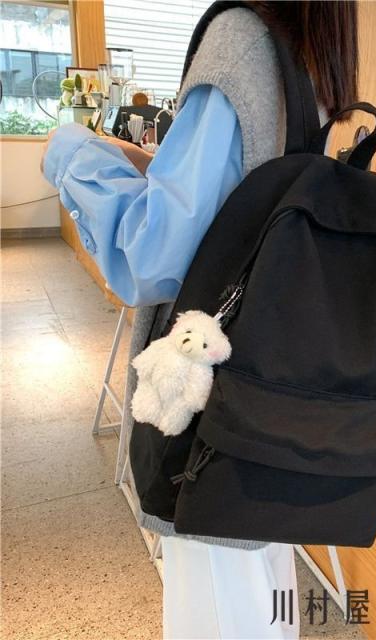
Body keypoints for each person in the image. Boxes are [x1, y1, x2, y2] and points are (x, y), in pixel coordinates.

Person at [40, 2, 358, 638]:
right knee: (262, 583)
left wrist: (73, 154)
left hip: (207, 398)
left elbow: (150, 256)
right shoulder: (314, 50)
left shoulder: (240, 40)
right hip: (274, 387)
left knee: (216, 600)